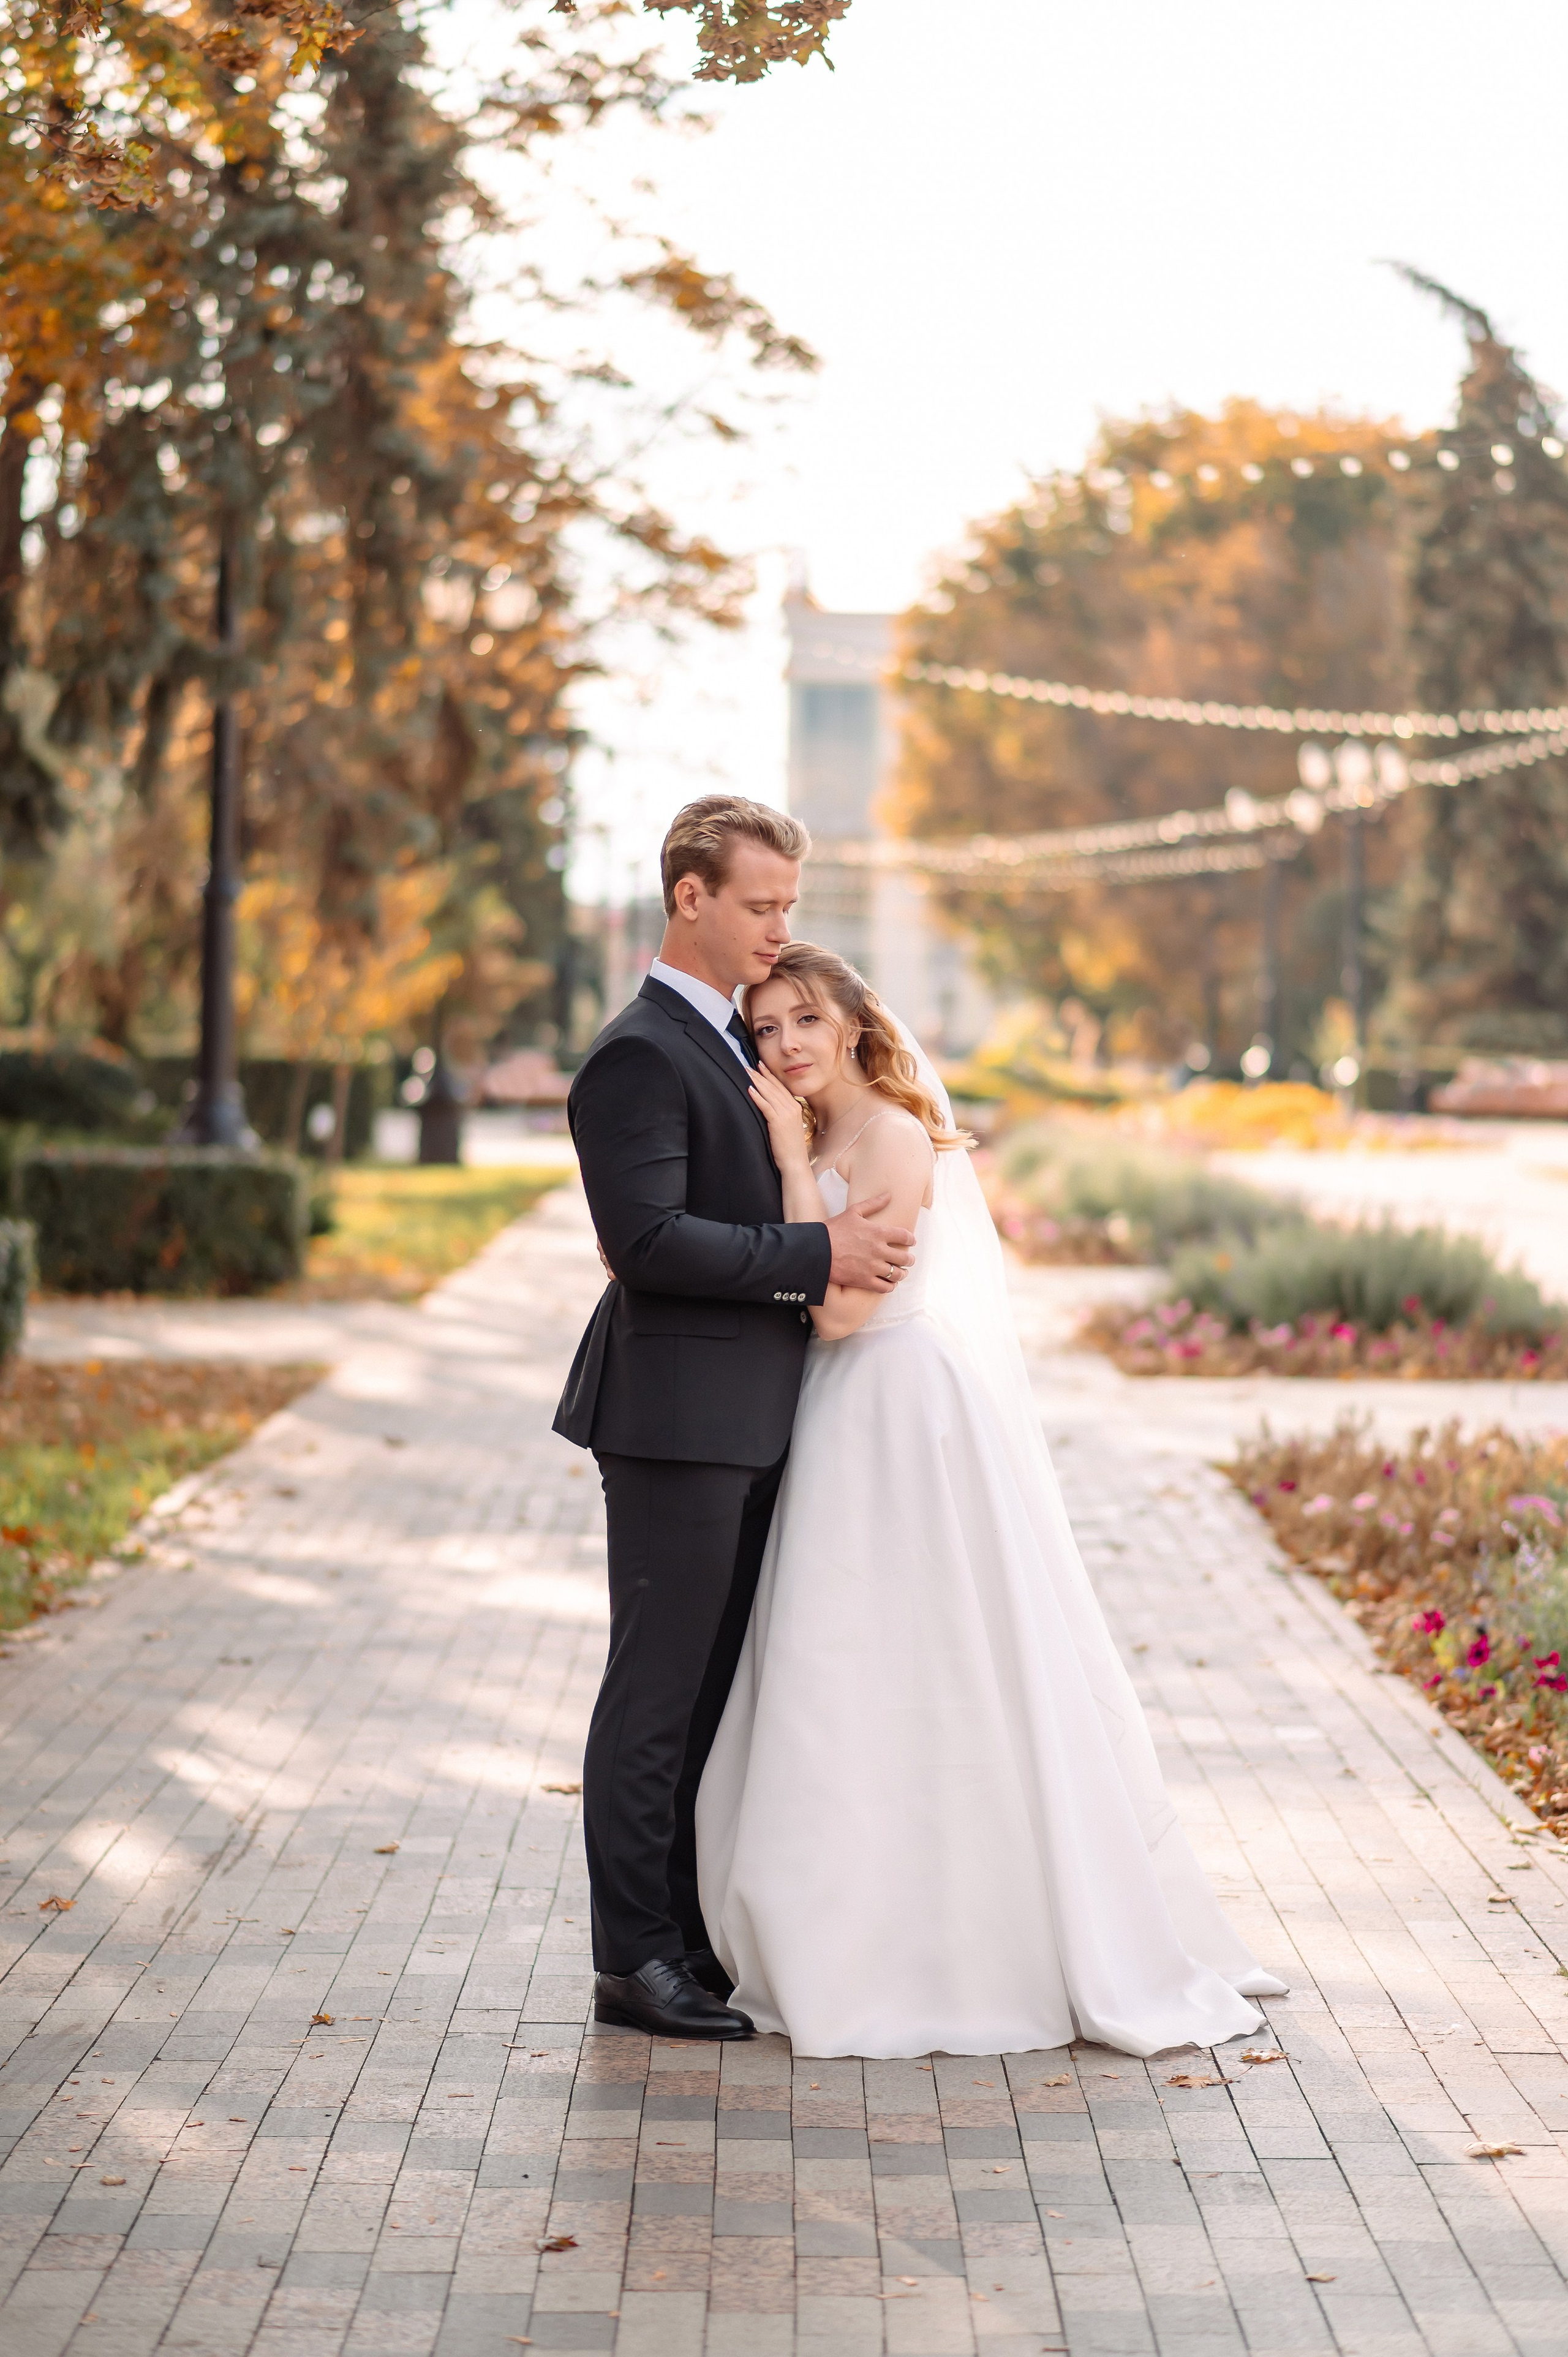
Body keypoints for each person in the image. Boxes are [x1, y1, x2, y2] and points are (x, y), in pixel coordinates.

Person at [694, 940, 1287, 2059]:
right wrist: (788, 1155)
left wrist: (783, 1162)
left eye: (804, 1021)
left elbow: (836, 1317)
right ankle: (838, 1915)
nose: (785, 1046)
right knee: (837, 1668)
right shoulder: (819, 1133)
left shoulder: (897, 1140)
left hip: (897, 1411)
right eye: (766, 1029)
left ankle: (966, 1942)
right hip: (834, 1419)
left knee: (930, 1658)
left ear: (857, 1026)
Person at [554, 798, 921, 2042]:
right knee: (654, 1690)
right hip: (671, 1418)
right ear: (689, 898)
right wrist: (813, 1250)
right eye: (759, 904)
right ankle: (630, 1960)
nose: (778, 929)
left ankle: (680, 1936)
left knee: (706, 1690)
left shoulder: (733, 1041)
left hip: (751, 1415)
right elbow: (643, 1241)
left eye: (788, 908)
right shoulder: (638, 1053)